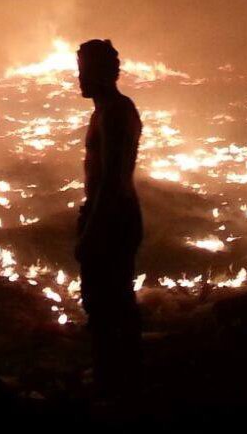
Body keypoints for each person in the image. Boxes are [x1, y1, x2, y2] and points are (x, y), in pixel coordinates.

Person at [75, 38, 143, 396]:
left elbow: (113, 180)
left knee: (109, 304)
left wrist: (93, 230)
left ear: (103, 73)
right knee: (105, 302)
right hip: (109, 217)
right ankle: (115, 377)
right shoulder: (106, 111)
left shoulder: (115, 113)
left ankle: (117, 385)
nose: (79, 80)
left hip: (113, 221)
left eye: (85, 72)